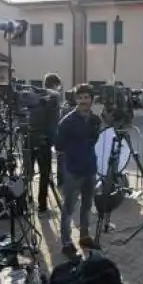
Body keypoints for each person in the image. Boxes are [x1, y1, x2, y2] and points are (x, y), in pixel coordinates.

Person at [55, 83, 101, 257]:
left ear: (91, 99)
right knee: (68, 208)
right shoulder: (67, 122)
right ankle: (66, 242)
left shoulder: (96, 120)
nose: (83, 100)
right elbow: (58, 146)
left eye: (86, 97)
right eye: (80, 97)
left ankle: (84, 236)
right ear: (75, 99)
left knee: (87, 206)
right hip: (73, 171)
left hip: (90, 169)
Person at [31, 72, 63, 217]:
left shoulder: (33, 96)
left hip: (29, 137)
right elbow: (53, 123)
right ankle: (42, 205)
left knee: (27, 172)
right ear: (56, 84)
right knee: (45, 173)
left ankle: (26, 200)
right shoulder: (54, 98)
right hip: (43, 141)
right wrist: (55, 142)